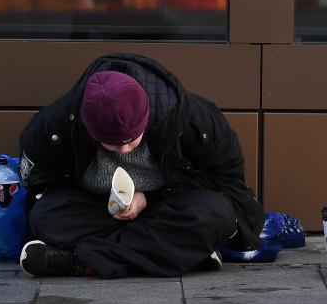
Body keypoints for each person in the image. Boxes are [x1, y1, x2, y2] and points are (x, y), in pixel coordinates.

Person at [17, 53, 264, 279]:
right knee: (45, 217)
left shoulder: (192, 119)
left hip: (169, 207)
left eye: (132, 140)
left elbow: (228, 182)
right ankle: (181, 254)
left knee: (216, 214)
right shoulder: (54, 126)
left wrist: (149, 197)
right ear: (88, 126)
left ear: (146, 117)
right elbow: (39, 184)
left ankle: (79, 263)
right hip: (102, 213)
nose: (124, 150)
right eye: (111, 144)